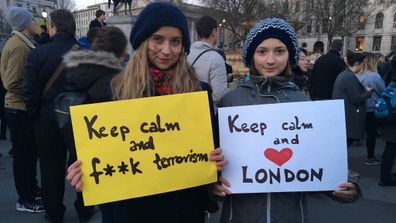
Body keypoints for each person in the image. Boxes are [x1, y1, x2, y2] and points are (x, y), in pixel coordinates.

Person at [66, 2, 226, 223]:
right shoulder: (112, 92)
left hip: (184, 210)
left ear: (183, 46)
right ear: (143, 42)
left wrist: (216, 166)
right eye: (157, 39)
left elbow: (214, 154)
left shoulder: (199, 93)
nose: (167, 50)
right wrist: (79, 173)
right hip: (130, 212)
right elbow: (93, 158)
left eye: (175, 41)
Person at [213, 18, 360, 223]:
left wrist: (341, 188)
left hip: (290, 215)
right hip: (239, 215)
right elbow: (214, 161)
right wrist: (213, 181)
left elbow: (315, 162)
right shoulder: (231, 101)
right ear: (251, 55)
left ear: (289, 54)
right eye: (262, 51)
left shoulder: (301, 101)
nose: (270, 60)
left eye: (279, 51)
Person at [23, 9, 94, 222]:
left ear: (54, 27)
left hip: (46, 119)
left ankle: (54, 212)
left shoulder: (38, 53)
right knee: (82, 167)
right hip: (79, 119)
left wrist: (34, 116)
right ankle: (84, 209)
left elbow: (31, 91)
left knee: (49, 168)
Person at [0, 6, 44, 213]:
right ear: (24, 23)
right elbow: (12, 82)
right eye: (32, 20)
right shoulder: (19, 46)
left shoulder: (21, 42)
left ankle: (32, 191)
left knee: (27, 154)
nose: (36, 22)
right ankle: (25, 199)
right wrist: (32, 96)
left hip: (19, 107)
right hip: (19, 108)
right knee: (23, 156)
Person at [332, 53, 372, 178]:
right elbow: (355, 98)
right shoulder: (349, 77)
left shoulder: (343, 75)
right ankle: (343, 170)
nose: (363, 67)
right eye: (362, 64)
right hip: (349, 115)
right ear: (357, 64)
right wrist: (368, 93)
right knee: (344, 146)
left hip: (343, 113)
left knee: (342, 145)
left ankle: (340, 168)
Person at [187, 16, 228, 107]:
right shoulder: (216, 59)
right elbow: (220, 96)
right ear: (214, 31)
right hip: (205, 111)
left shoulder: (185, 54)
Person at [356, 53, 385, 165]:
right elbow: (383, 91)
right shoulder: (374, 76)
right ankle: (370, 157)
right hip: (372, 108)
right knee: (371, 134)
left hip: (360, 107)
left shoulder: (357, 75)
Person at [379, 74, 396, 186]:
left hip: (389, 118)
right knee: (391, 149)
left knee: (389, 148)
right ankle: (385, 178)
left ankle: (384, 177)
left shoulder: (392, 84)